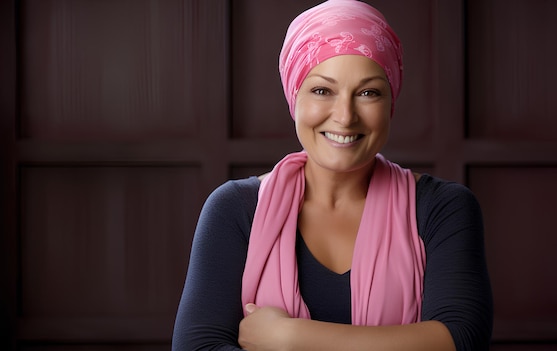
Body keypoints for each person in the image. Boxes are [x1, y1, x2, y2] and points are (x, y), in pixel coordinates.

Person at [172, 0, 493, 350]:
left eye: (368, 93)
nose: (345, 116)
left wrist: (290, 337)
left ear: (391, 102)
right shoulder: (234, 208)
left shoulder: (443, 207)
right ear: (295, 97)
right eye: (322, 90)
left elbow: (461, 339)